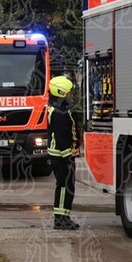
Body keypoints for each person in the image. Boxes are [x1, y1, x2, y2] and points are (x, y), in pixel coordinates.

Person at [47, 75, 81, 230]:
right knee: (64, 187)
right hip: (61, 156)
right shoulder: (60, 114)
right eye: (69, 93)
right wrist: (69, 155)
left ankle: (64, 217)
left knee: (66, 186)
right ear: (61, 92)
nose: (71, 95)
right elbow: (61, 138)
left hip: (60, 155)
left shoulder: (59, 110)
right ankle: (60, 220)